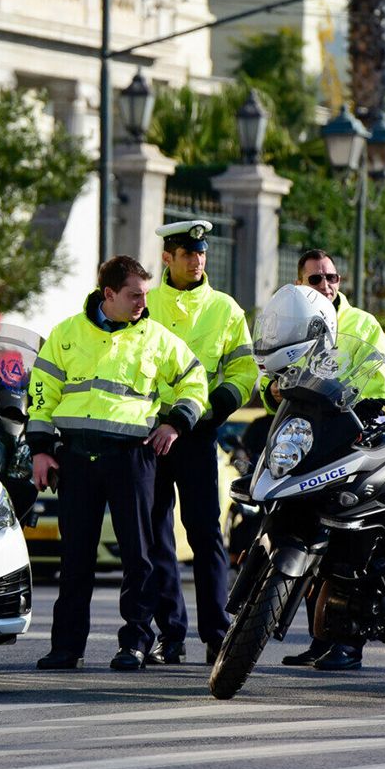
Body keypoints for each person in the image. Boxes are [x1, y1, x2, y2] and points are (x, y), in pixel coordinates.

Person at [27, 255, 208, 671]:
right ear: (108, 294)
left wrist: (176, 423)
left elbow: (195, 379)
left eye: (144, 294)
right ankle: (66, 647)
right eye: (134, 295)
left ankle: (136, 643)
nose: (143, 302)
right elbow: (41, 394)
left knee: (138, 556)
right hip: (76, 458)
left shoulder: (157, 337)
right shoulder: (66, 333)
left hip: (132, 457)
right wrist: (40, 449)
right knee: (75, 558)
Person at [263, 249, 385, 672]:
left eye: (332, 277)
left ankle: (347, 643)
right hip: (307, 445)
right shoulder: (292, 319)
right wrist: (273, 392)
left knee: (348, 543)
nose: (327, 285)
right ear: (299, 284)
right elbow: (274, 375)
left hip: (348, 444)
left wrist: (355, 406)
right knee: (305, 540)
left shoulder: (363, 324)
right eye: (316, 279)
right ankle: (319, 640)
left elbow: (378, 383)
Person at [142, 220, 258, 667]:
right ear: (167, 258)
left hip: (198, 432)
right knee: (155, 534)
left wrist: (217, 407)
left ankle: (217, 633)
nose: (198, 260)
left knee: (205, 533)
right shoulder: (145, 303)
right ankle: (170, 634)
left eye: (202, 252)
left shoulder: (225, 309)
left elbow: (244, 371)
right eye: (188, 254)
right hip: (149, 432)